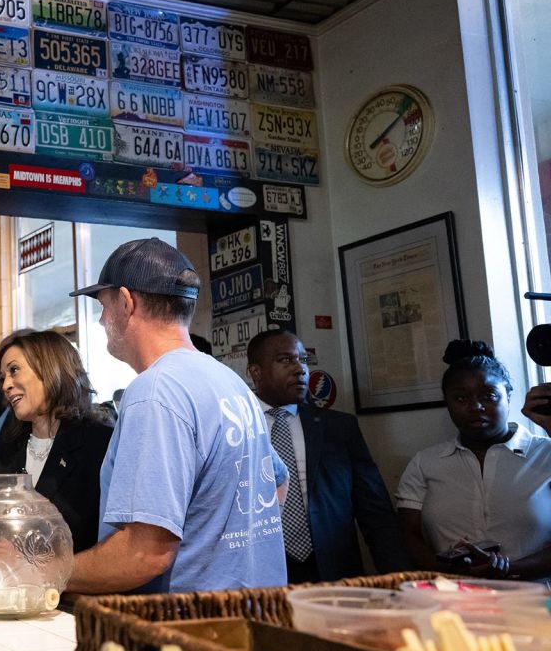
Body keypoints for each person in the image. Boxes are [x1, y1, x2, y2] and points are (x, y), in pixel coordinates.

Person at [66, 238, 288, 594]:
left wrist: (48, 572)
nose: (101, 319)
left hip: (186, 630)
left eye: (103, 306)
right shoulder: (228, 381)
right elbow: (276, 482)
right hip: (252, 613)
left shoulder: (155, 391)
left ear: (126, 302)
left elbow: (144, 555)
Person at [246, 328, 411, 582]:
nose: (300, 369)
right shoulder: (236, 427)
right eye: (286, 360)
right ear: (255, 372)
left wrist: (402, 579)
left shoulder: (339, 428)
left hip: (332, 572)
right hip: (259, 573)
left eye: (303, 360)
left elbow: (375, 513)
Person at [396, 340, 551, 579]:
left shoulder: (545, 454)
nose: (475, 407)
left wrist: (510, 568)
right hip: (454, 602)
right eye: (460, 399)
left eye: (489, 396)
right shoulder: (424, 463)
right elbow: (409, 536)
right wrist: (443, 569)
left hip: (534, 601)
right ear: (447, 403)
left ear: (508, 395)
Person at [0, 330, 113, 553]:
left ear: (50, 367)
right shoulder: (9, 443)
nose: (6, 385)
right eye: (3, 377)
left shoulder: (99, 443)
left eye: (14, 370)